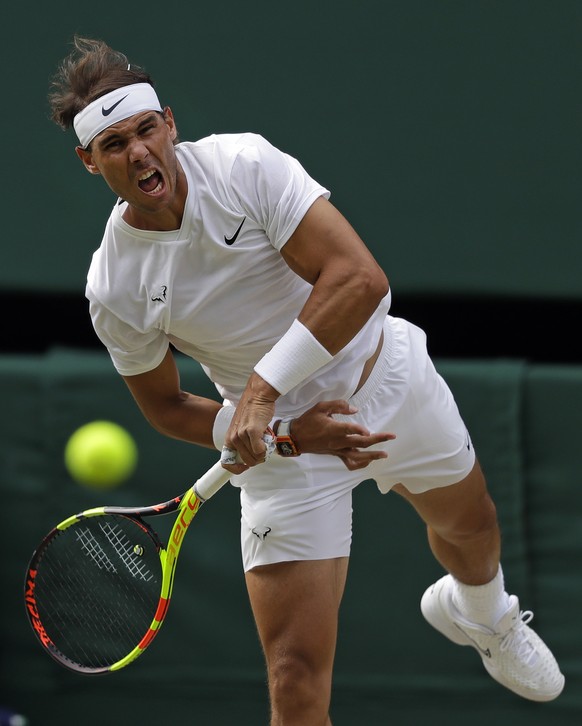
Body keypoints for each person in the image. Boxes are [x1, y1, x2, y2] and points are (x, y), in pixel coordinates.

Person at [49, 36, 564, 725]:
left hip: (385, 377)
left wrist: (259, 393)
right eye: (114, 144)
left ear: (169, 122)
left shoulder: (245, 167)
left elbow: (358, 278)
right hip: (285, 455)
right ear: (89, 160)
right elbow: (166, 406)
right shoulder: (115, 286)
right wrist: (287, 433)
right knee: (293, 680)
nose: (139, 152)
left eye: (146, 130)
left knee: (471, 529)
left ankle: (484, 615)